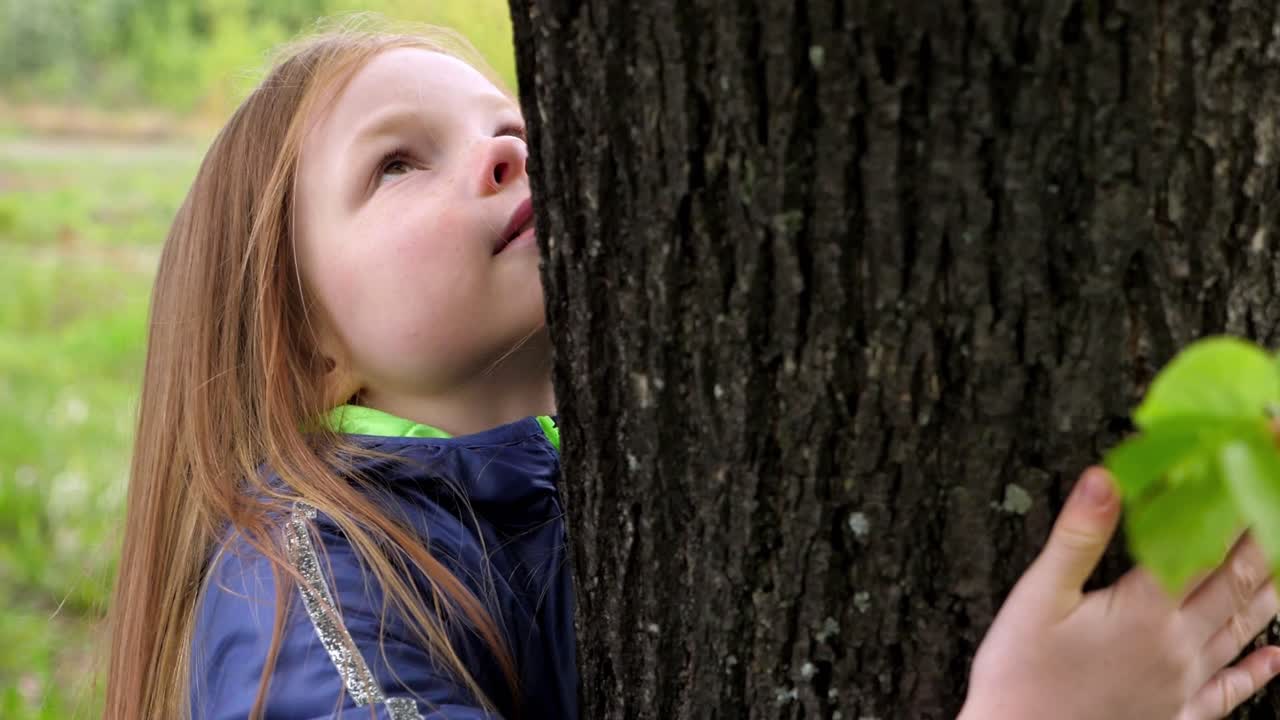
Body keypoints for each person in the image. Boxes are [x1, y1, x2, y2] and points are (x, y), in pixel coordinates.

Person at [101, 21, 1280, 720]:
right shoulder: (301, 590)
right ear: (307, 346)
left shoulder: (598, 487)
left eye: (507, 120)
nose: (506, 150)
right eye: (398, 164)